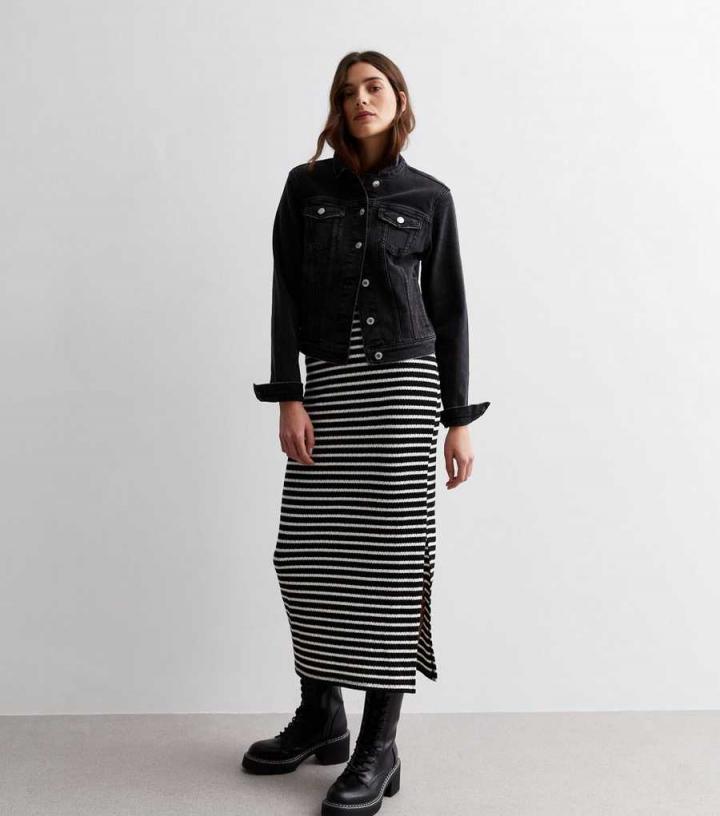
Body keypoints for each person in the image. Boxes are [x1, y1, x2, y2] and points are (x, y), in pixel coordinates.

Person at [243, 50, 490, 816]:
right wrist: (289, 395)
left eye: (374, 86)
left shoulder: (430, 196)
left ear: (398, 98)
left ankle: (380, 746)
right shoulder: (305, 187)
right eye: (348, 91)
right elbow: (284, 290)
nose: (361, 99)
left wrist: (457, 419)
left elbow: (449, 309)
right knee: (305, 555)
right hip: (331, 386)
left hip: (403, 390)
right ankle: (323, 716)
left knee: (389, 563)